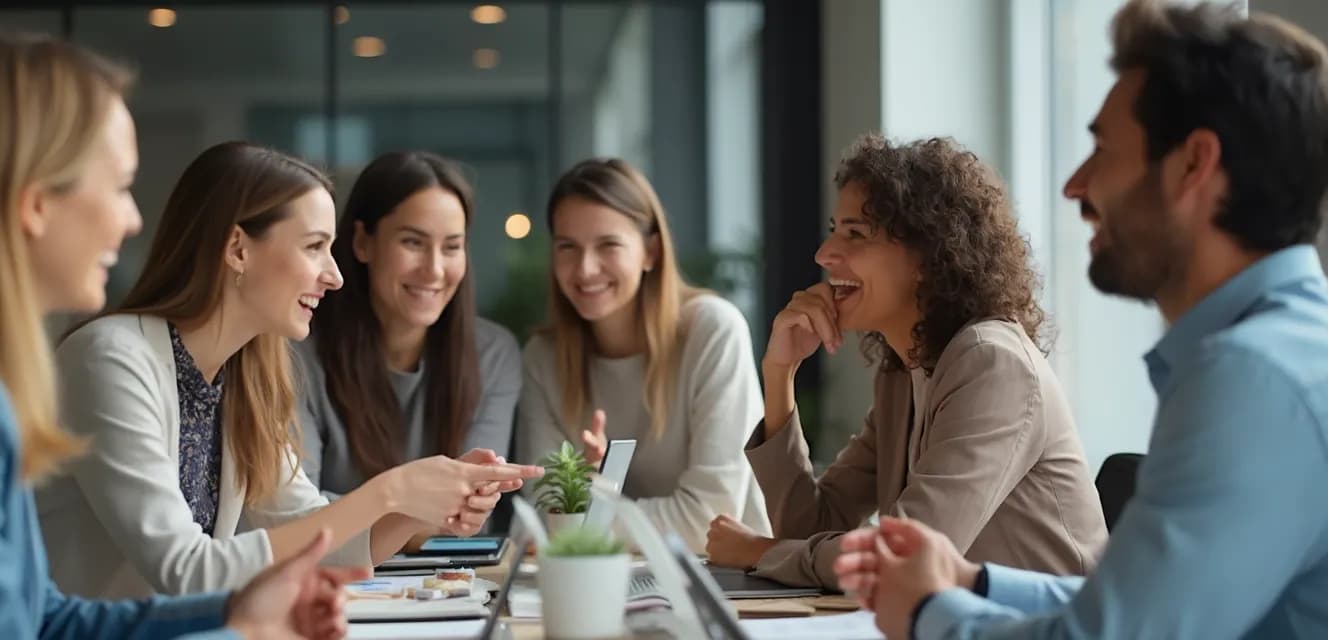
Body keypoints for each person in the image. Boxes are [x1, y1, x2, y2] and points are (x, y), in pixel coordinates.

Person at [0, 30, 363, 639]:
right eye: (119, 187)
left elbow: (44, 620)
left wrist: (232, 615)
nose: (134, 218)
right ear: (36, 203)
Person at [833, 2, 1328, 638]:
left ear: (1193, 166)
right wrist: (972, 583)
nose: (1075, 185)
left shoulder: (1252, 376)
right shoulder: (1279, 353)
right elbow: (1131, 601)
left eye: (1102, 149)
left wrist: (932, 613)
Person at [40, 142, 541, 598]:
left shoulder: (247, 375)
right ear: (238, 249)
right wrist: (392, 491)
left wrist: (418, 506)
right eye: (314, 246)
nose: (336, 275)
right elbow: (185, 569)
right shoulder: (111, 360)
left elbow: (317, 534)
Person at [703, 135, 1107, 589]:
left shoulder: (993, 364)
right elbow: (809, 527)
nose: (824, 254)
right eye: (834, 229)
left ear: (930, 256)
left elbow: (907, 555)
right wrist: (780, 376)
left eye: (855, 234)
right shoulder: (903, 374)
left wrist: (760, 552)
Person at [517, 157, 770, 551]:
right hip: (595, 582)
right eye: (567, 247)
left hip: (730, 587)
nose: (584, 269)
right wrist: (569, 515)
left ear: (651, 251)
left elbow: (710, 518)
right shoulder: (543, 359)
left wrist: (584, 519)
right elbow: (541, 513)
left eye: (608, 245)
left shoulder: (713, 331)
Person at [296, 152, 522, 525]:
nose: (434, 270)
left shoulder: (493, 355)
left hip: (455, 581)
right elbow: (298, 517)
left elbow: (469, 511)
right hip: (333, 577)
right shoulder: (296, 355)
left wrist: (361, 512)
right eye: (413, 243)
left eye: (452, 247)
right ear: (362, 242)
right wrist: (425, 514)